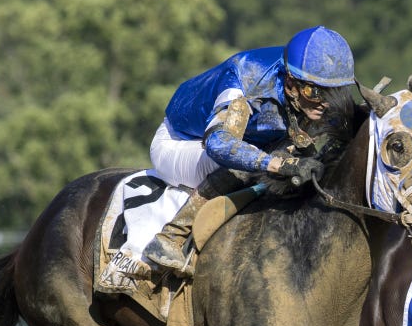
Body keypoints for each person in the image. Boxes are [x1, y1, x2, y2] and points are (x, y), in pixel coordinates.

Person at [144, 25, 357, 277]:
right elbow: (219, 144)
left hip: (248, 141)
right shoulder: (246, 81)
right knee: (246, 165)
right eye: (314, 92)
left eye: (333, 91)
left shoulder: (306, 83)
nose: (324, 102)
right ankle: (171, 236)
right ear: (291, 83)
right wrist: (279, 165)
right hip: (181, 142)